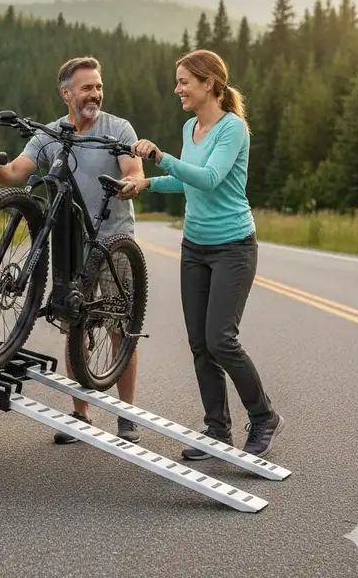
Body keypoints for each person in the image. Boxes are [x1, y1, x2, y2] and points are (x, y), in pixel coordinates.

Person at [120, 49, 285, 459]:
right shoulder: (190, 126)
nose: (177, 89)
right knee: (199, 343)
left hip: (233, 246)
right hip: (194, 247)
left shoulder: (233, 129)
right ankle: (217, 430)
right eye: (177, 81)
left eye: (183, 82)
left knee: (221, 340)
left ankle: (264, 417)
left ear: (208, 83)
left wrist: (161, 158)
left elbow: (210, 179)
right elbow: (189, 183)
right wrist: (150, 185)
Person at [0, 56, 145, 444]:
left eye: (98, 86)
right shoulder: (50, 134)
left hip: (113, 239)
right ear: (66, 93)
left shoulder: (117, 128)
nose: (95, 93)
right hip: (70, 241)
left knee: (119, 328)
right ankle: (81, 414)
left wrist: (132, 181)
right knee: (75, 323)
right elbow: (14, 173)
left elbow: (133, 169)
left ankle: (126, 417)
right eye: (87, 87)